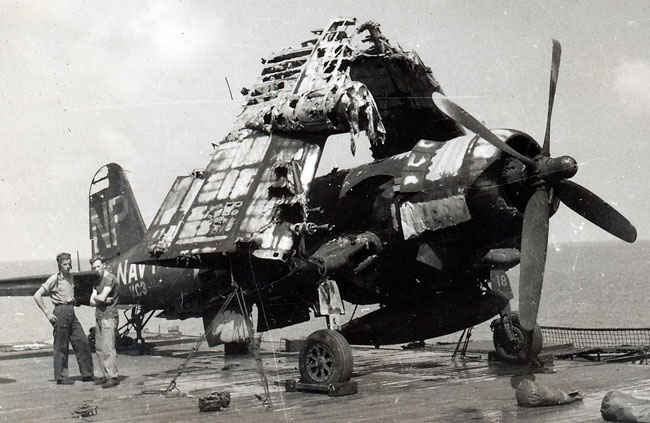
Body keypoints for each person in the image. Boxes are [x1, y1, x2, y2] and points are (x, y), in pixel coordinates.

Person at [33, 252, 94, 385]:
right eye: (65, 264)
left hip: (71, 311)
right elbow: (37, 295)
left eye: (69, 264)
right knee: (61, 346)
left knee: (82, 341)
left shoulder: (71, 277)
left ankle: (87, 374)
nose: (68, 266)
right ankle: (61, 377)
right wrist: (48, 313)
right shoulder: (55, 278)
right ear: (59, 265)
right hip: (60, 312)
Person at [89, 255, 120, 388]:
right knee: (99, 348)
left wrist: (99, 298)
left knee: (108, 348)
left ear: (103, 265)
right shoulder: (97, 280)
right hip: (99, 316)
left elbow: (99, 297)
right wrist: (100, 299)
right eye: (94, 267)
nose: (96, 269)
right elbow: (91, 302)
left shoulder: (109, 278)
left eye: (98, 266)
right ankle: (104, 375)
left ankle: (112, 376)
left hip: (109, 316)